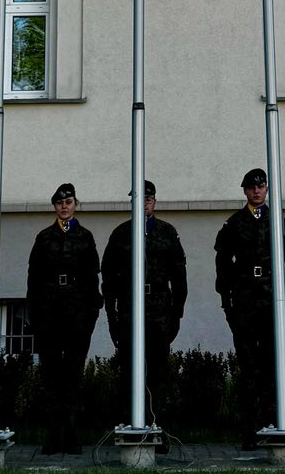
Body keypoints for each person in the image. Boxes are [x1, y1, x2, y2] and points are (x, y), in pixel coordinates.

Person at [215, 167, 285, 452]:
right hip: (244, 302)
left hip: (270, 301)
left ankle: (272, 423)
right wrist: (228, 302)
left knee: (270, 364)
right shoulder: (234, 223)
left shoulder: (278, 221)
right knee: (248, 366)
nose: (257, 191)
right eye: (252, 187)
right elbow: (222, 265)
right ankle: (250, 430)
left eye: (261, 186)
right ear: (245, 191)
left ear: (266, 189)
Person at [101, 181, 188, 431]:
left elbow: (179, 276)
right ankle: (131, 426)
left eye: (148, 199)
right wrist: (111, 315)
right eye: (139, 200)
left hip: (159, 311)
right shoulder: (121, 234)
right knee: (129, 370)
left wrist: (177, 314)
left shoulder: (167, 232)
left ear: (154, 202)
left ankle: (157, 428)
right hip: (129, 309)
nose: (144, 204)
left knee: (158, 372)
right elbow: (108, 277)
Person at [26, 184, 102, 453]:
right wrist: (34, 314)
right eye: (60, 203)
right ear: (54, 207)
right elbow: (34, 279)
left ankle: (71, 433)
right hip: (49, 313)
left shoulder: (85, 237)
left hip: (77, 313)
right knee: (50, 374)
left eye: (68, 202)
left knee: (72, 373)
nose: (64, 207)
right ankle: (53, 434)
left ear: (75, 204)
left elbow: (92, 278)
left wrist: (91, 313)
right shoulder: (44, 237)